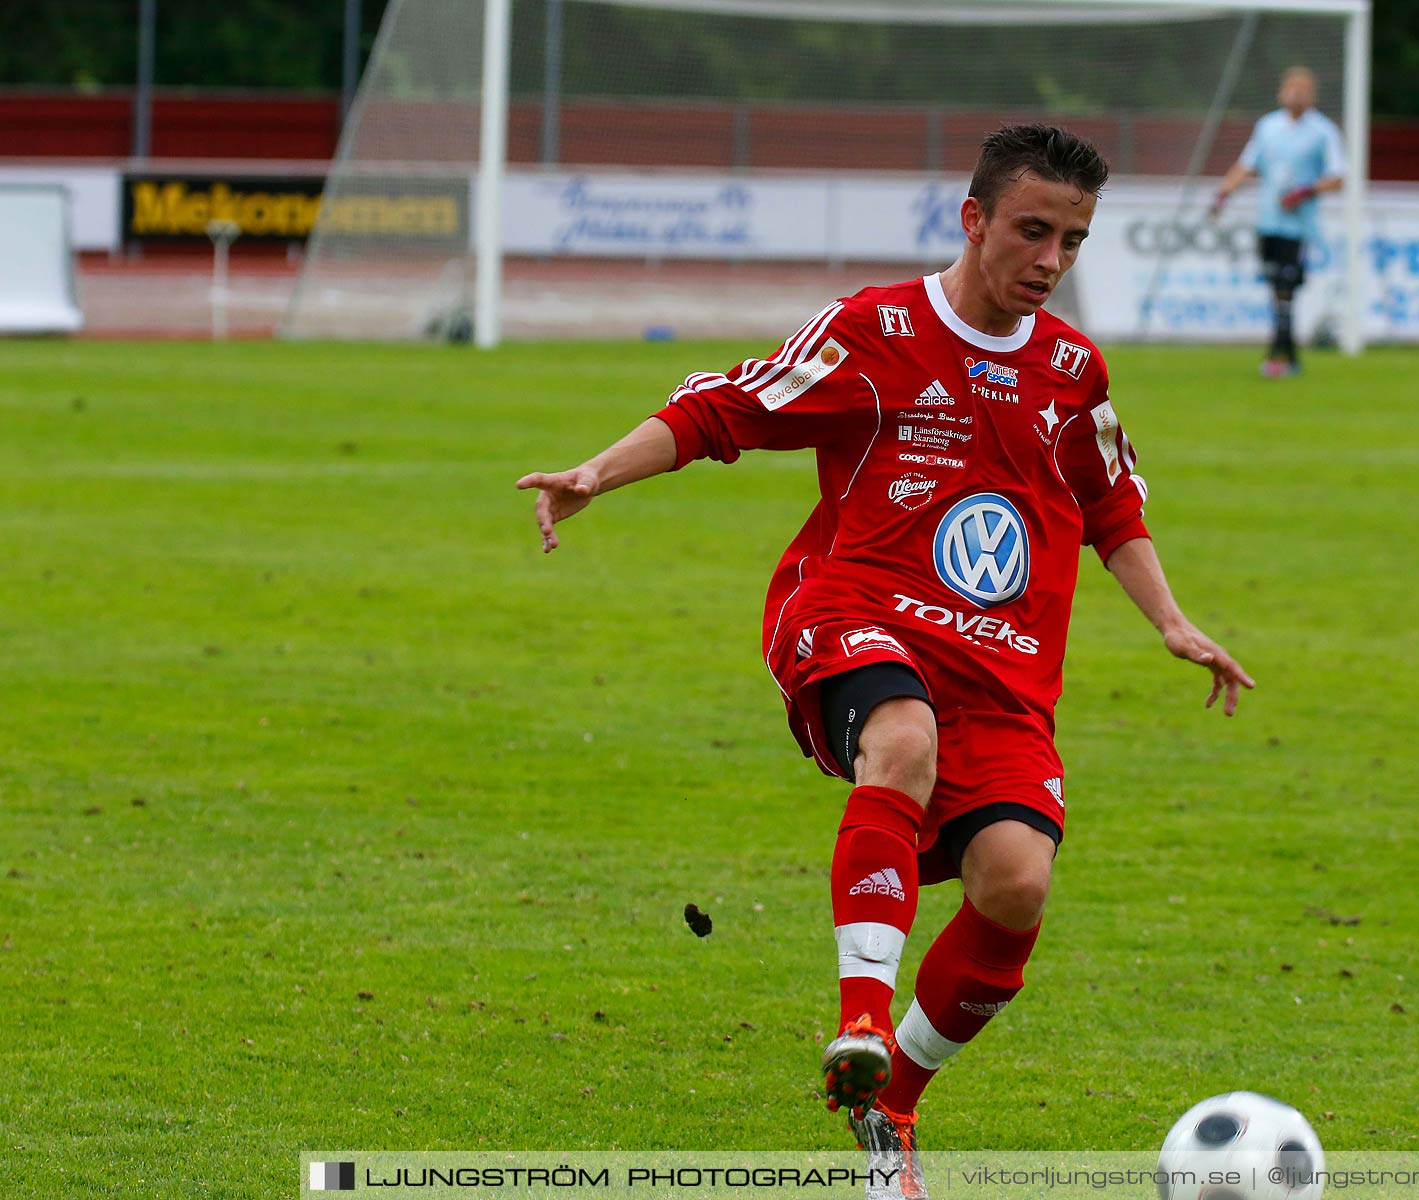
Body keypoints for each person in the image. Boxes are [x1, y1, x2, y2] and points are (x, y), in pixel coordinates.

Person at [516, 124, 1253, 1199]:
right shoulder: (880, 330)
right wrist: (596, 472)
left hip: (1000, 669)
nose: (1049, 261)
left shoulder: (1070, 370)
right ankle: (858, 1019)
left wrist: (1172, 621)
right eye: (1032, 231)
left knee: (1016, 884)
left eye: (1073, 242)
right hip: (854, 611)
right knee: (900, 738)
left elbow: (1109, 504)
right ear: (975, 219)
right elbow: (728, 406)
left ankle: (889, 1100)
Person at [1208, 67, 1345, 378]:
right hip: (1268, 222)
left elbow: (1337, 178)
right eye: (1291, 87)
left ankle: (1276, 358)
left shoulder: (1323, 132)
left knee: (1286, 287)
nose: (1296, 93)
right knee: (1277, 290)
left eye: (1303, 88)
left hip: (1299, 226)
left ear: (1312, 95)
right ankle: (1291, 358)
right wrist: (1224, 193)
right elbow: (1247, 164)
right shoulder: (1267, 126)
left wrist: (1305, 191)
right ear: (1281, 92)